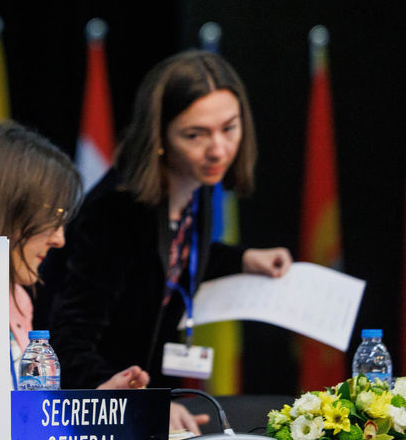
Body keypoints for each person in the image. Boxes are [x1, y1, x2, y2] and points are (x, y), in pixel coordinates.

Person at [40, 50, 292, 434]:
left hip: (149, 401)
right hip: (95, 413)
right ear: (159, 137)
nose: (218, 149)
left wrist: (243, 259)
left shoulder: (196, 183)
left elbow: (169, 259)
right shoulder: (116, 209)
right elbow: (69, 340)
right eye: (195, 135)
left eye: (229, 128)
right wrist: (144, 403)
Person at [0, 121, 149, 391]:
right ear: (2, 210)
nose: (59, 239)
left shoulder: (17, 298)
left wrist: (97, 402)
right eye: (51, 217)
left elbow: (23, 410)